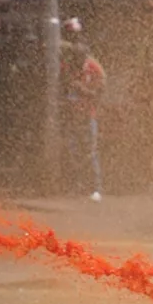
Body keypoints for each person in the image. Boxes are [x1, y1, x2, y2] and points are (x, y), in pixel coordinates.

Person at [60, 39, 107, 202]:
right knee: (73, 151)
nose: (76, 60)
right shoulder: (67, 67)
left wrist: (84, 90)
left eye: (79, 57)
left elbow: (101, 87)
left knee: (91, 152)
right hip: (72, 116)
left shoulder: (92, 67)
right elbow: (64, 86)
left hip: (88, 115)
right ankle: (76, 185)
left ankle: (96, 187)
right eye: (74, 57)